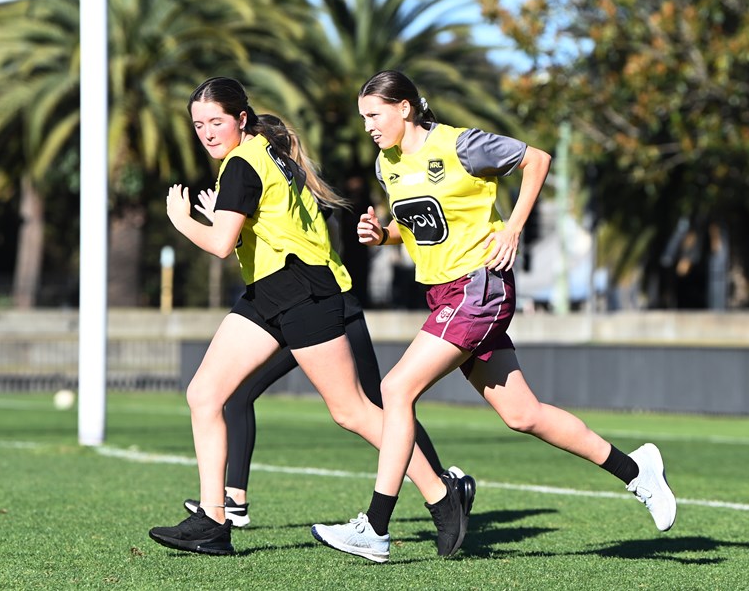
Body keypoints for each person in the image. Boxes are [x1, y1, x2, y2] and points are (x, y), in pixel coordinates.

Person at [311, 70, 677, 563]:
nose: (368, 127)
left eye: (374, 115)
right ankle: (637, 471)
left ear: (404, 108)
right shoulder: (386, 165)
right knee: (524, 415)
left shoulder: (462, 146)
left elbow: (537, 160)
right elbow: (420, 224)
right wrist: (385, 235)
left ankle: (374, 527)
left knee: (396, 390)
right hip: (445, 295)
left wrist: (514, 231)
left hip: (478, 287)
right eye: (364, 119)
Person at [148, 76, 475, 558]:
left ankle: (442, 495)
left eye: (216, 121)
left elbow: (220, 244)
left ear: (240, 119)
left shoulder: (243, 162)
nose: (207, 132)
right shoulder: (263, 150)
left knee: (352, 411)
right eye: (199, 125)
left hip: (301, 290)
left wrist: (183, 221)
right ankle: (214, 521)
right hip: (269, 291)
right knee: (205, 394)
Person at [181, 188, 474, 531]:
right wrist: (229, 216)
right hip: (292, 310)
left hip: (331, 310)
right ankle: (235, 500)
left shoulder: (293, 188)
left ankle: (443, 484)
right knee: (238, 395)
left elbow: (279, 241)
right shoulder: (275, 180)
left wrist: (226, 219)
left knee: (374, 407)